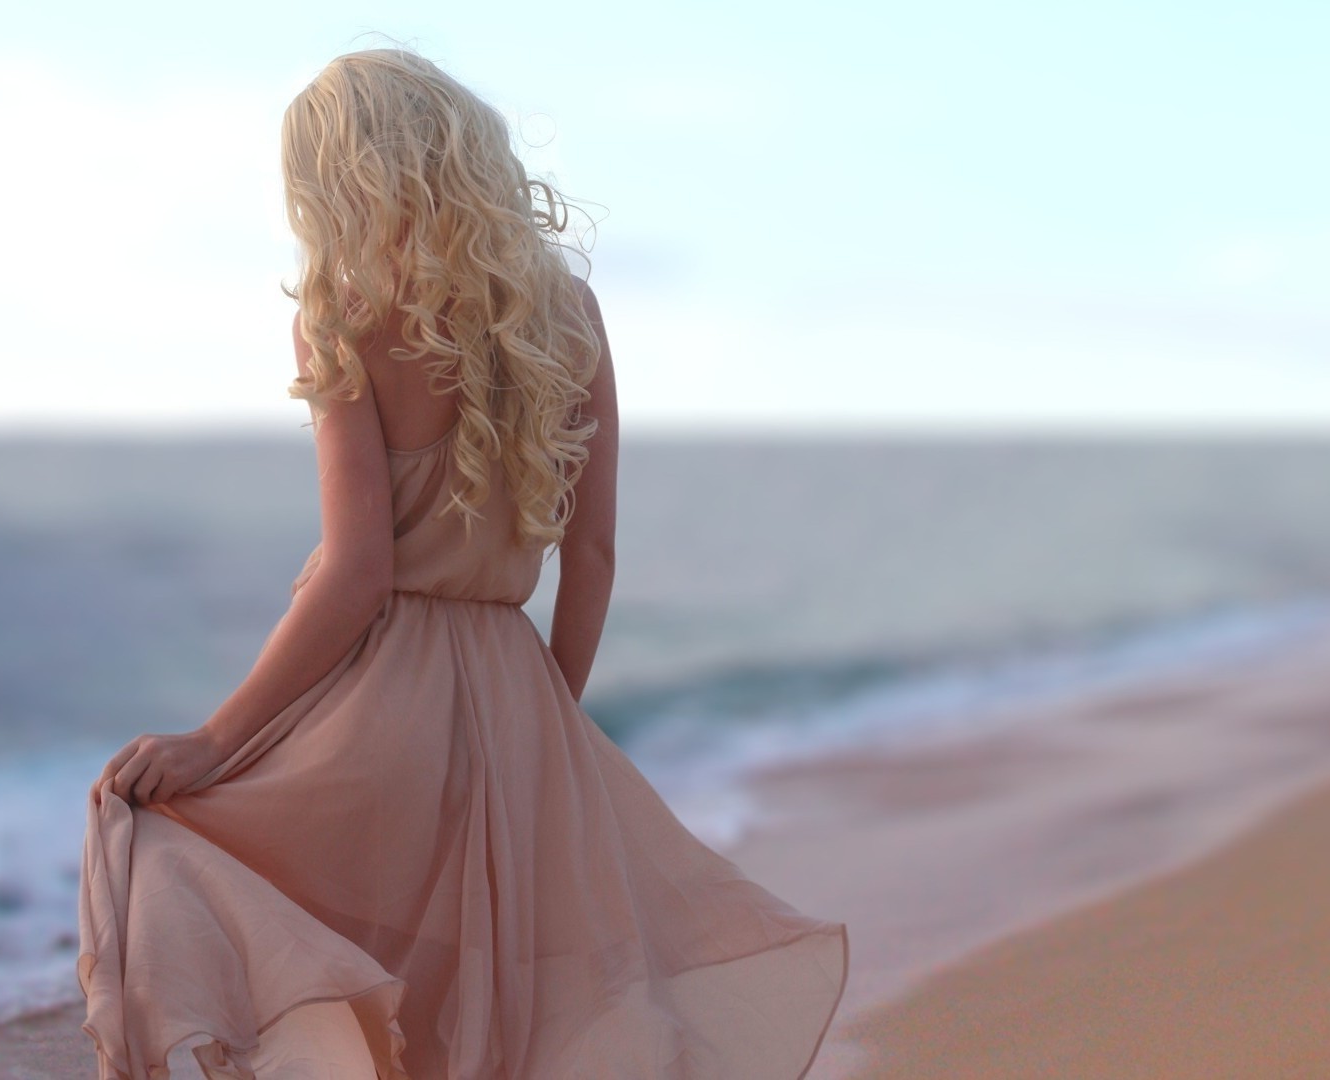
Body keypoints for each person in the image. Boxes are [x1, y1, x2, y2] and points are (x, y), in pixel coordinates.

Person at [78, 46, 849, 1079]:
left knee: (160, 837)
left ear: (339, 179)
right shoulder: (566, 311)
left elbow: (357, 574)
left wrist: (214, 741)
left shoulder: (343, 317)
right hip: (516, 700)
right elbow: (596, 552)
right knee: (496, 1013)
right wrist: (551, 733)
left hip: (377, 699)